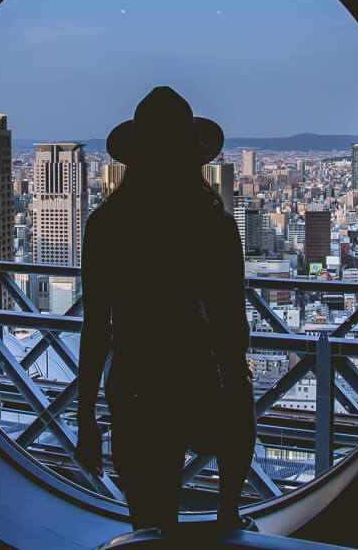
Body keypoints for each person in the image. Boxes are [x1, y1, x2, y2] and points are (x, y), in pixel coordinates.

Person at [74, 86, 257, 535]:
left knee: (151, 526)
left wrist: (84, 419)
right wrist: (236, 389)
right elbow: (232, 323)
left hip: (135, 388)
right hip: (197, 380)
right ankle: (229, 517)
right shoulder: (212, 221)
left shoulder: (106, 223)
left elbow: (95, 327)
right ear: (190, 155)